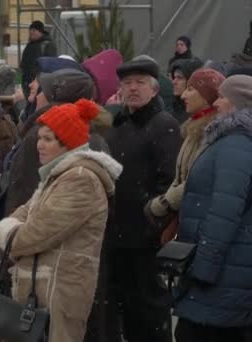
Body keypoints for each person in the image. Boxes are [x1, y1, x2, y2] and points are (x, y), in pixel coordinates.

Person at [0, 99, 122, 342]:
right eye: (40, 137)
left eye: (48, 139)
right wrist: (14, 229)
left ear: (68, 143)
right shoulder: (59, 175)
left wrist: (8, 235)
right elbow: (24, 213)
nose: (39, 145)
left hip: (59, 291)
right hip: (44, 287)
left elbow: (36, 233)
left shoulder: (80, 179)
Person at [105, 58, 182, 342]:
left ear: (153, 89)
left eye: (139, 83)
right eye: (127, 83)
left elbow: (170, 182)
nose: (133, 89)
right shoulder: (117, 124)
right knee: (121, 313)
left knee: (148, 316)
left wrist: (153, 228)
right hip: (115, 239)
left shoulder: (164, 125)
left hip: (145, 243)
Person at [173, 74, 252, 342]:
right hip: (226, 273)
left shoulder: (236, 146)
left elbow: (224, 213)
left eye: (221, 96)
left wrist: (201, 270)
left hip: (220, 278)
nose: (215, 102)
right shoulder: (232, 141)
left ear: (238, 103)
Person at [144, 68, 225, 245]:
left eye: (191, 89)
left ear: (207, 96)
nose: (183, 96)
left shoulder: (210, 132)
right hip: (185, 216)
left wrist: (163, 204)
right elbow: (180, 177)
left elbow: (194, 179)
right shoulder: (193, 128)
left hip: (196, 221)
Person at [5, 68, 96, 215]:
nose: (36, 95)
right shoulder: (91, 131)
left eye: (42, 91)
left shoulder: (45, 131)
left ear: (51, 97)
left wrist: (12, 226)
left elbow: (23, 186)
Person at [20, 21, 57, 98]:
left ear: (40, 31)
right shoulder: (30, 45)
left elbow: (51, 65)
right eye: (30, 30)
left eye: (34, 30)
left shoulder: (48, 45)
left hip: (40, 84)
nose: (31, 32)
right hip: (27, 83)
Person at [170, 58, 204, 123]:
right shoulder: (174, 108)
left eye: (179, 78)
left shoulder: (198, 114)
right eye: (174, 77)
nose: (174, 82)